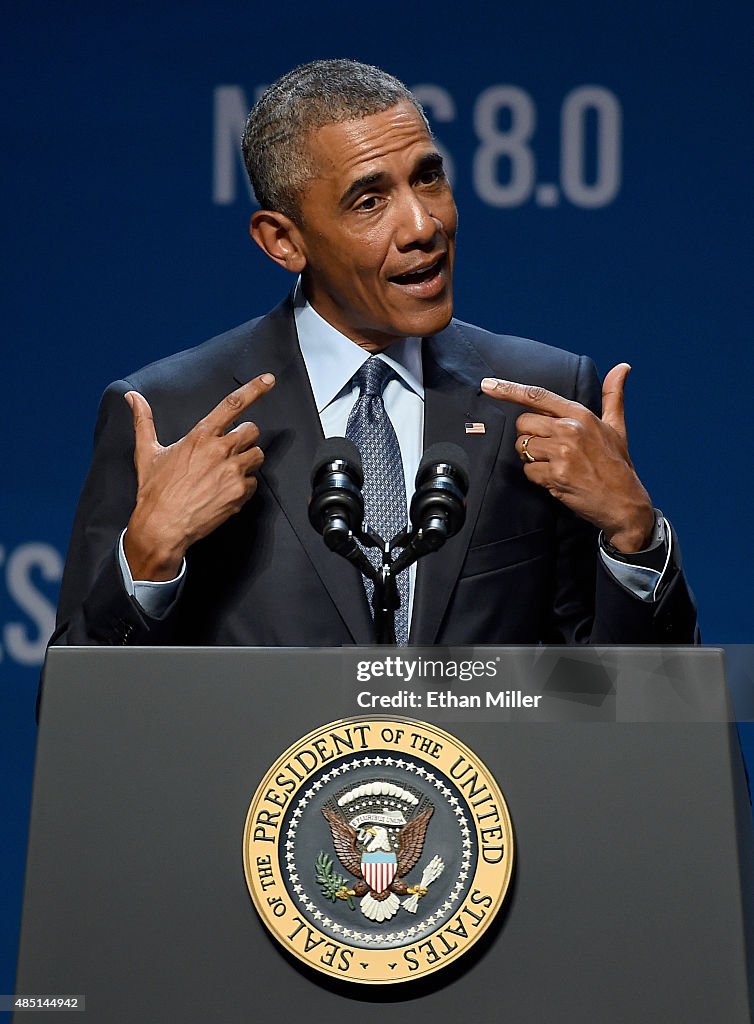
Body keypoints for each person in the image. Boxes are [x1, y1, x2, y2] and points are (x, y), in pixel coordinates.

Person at [50, 59, 697, 651]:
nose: (423, 226)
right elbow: (78, 728)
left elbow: (631, 722)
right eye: (370, 200)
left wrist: (634, 538)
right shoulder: (172, 415)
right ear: (283, 241)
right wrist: (148, 562)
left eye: (429, 178)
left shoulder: (544, 394)